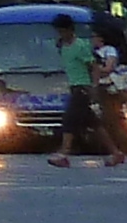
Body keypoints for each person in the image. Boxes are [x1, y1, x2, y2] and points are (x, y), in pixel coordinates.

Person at [43, 12, 121, 169]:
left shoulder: (80, 46)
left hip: (82, 87)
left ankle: (64, 153)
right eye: (59, 31)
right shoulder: (62, 46)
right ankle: (116, 153)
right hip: (74, 86)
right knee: (93, 123)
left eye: (63, 31)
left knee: (69, 120)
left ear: (70, 29)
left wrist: (94, 86)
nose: (61, 34)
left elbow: (94, 67)